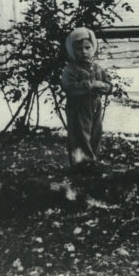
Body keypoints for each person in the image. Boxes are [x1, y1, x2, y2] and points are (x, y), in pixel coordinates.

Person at [60, 27, 114, 170]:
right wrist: (90, 85)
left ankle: (93, 159)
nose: (83, 52)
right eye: (78, 49)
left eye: (87, 47)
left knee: (95, 133)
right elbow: (68, 86)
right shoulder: (71, 69)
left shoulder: (97, 68)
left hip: (95, 105)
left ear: (93, 47)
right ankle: (82, 165)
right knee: (80, 135)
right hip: (78, 107)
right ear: (72, 50)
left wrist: (106, 87)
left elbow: (108, 84)